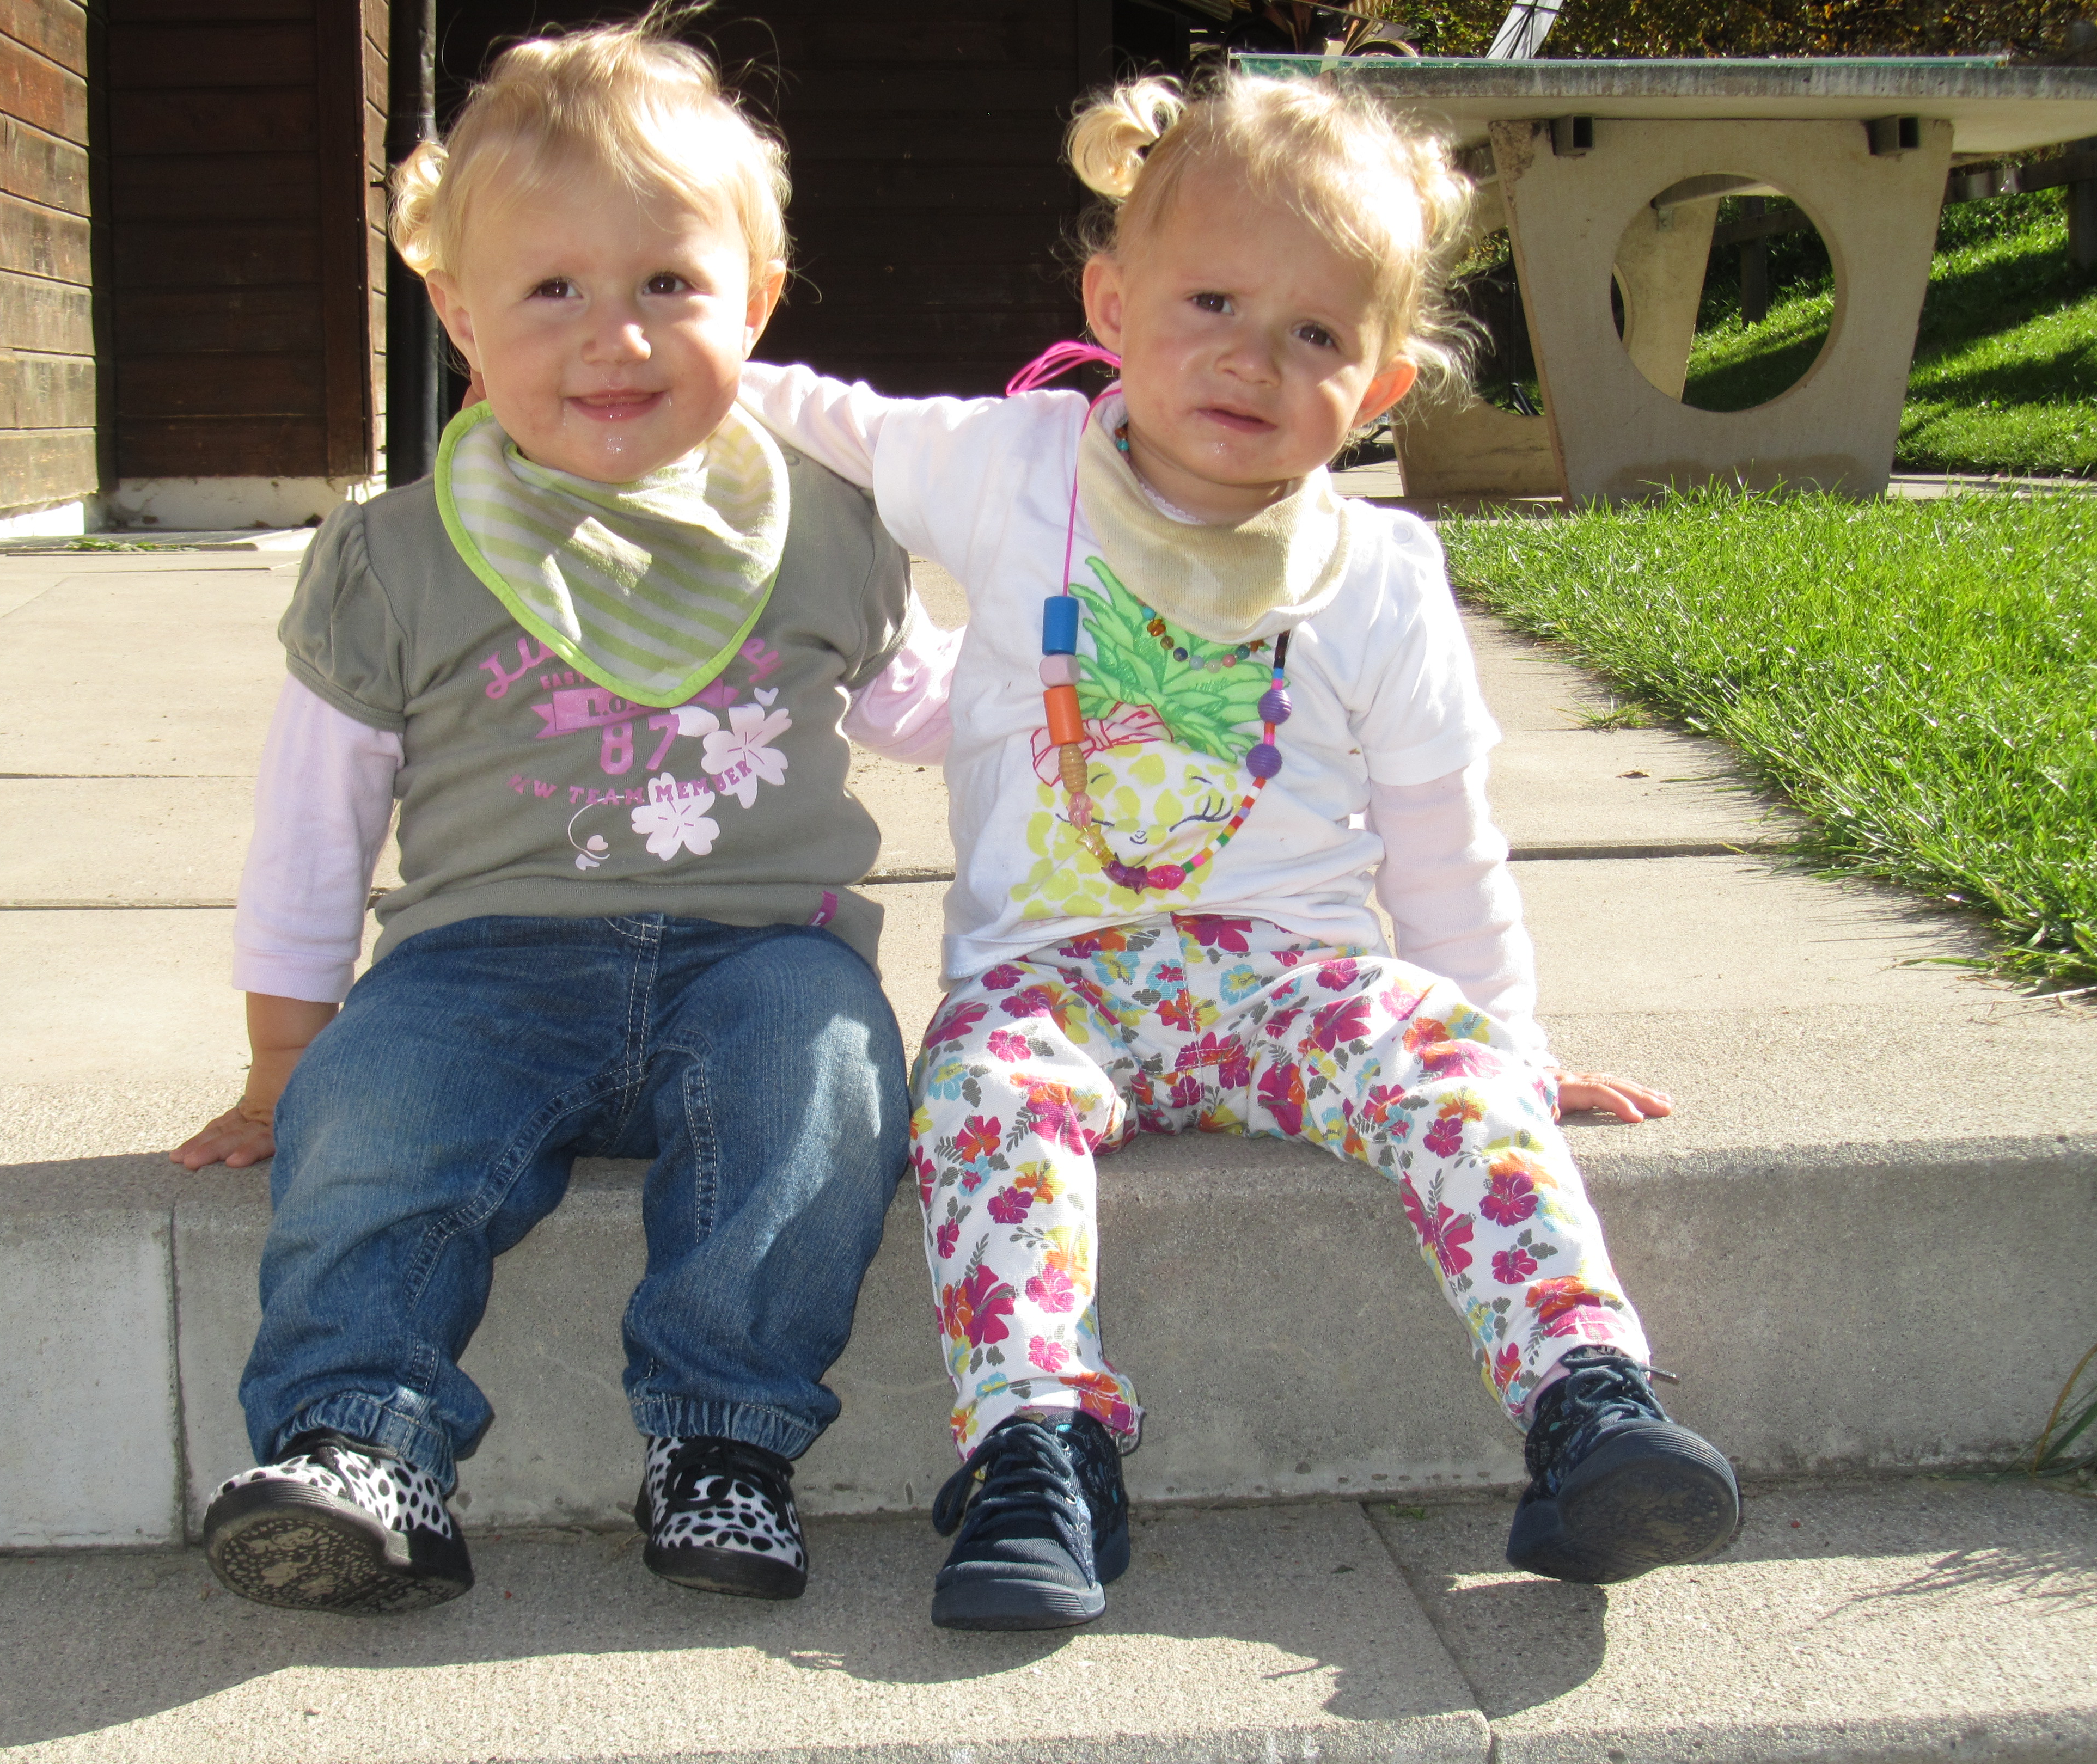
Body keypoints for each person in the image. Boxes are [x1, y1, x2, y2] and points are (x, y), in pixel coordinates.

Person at [739, 68, 1739, 1631]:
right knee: (979, 1098)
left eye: (1316, 333)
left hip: (1295, 983)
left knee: (1449, 1066)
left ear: (1383, 388)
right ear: (1111, 304)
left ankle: (1586, 1402)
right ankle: (1039, 1450)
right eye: (1210, 301)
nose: (1251, 358)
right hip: (1051, 986)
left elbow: (1439, 834)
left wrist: (1509, 1041)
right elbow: (821, 415)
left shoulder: (1382, 571)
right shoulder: (1012, 469)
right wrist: (657, 361)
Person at [170, 12, 953, 1616]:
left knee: (828, 1085)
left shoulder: (825, 529)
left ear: (757, 300)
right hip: (483, 962)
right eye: (552, 292)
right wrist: (284, 1058)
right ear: (459, 310)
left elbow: (936, 714)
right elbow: (315, 820)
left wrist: (1093, 667)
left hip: (761, 955)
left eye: (669, 282)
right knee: (376, 1116)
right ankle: (359, 1440)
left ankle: (724, 1445)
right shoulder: (396, 555)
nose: (618, 338)